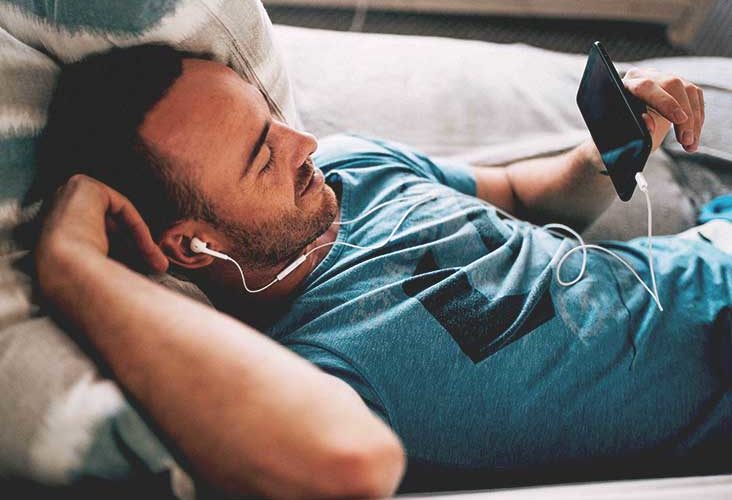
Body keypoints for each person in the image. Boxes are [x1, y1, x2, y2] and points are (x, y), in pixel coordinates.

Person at [28, 44, 729, 496]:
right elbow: (345, 460)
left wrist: (604, 153)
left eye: (270, 117)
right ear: (190, 247)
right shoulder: (319, 365)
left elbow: (521, 196)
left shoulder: (351, 164)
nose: (304, 142)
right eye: (263, 157)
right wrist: (74, 269)